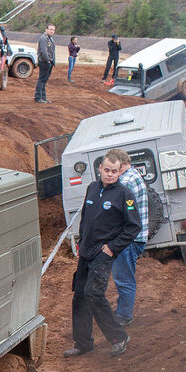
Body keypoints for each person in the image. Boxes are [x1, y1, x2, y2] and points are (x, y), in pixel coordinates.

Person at [64, 150, 141, 358]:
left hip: (103, 254)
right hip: (86, 252)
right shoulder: (92, 188)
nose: (109, 174)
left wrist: (112, 248)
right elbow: (86, 218)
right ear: (100, 169)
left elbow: (134, 227)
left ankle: (119, 337)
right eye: (106, 170)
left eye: (114, 171)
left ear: (119, 172)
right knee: (80, 296)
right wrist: (80, 244)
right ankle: (83, 343)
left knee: (94, 294)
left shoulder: (124, 194)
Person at [109, 149, 149, 327]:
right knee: (124, 277)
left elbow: (113, 210)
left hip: (127, 239)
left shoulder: (126, 182)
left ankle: (124, 317)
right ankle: (122, 313)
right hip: (134, 238)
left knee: (124, 279)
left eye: (112, 168)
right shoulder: (133, 176)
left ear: (120, 164)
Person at [34, 23, 55, 104]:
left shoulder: (50, 38)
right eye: (50, 29)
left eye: (53, 30)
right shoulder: (43, 38)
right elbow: (43, 51)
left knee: (44, 80)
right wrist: (48, 61)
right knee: (42, 80)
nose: (52, 31)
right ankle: (38, 97)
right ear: (46, 29)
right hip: (44, 62)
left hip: (48, 62)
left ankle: (43, 97)